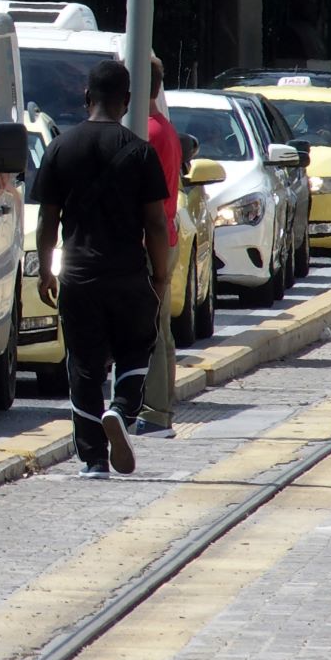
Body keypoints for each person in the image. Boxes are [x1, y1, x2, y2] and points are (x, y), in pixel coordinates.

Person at [33, 59, 171, 478]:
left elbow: (46, 221)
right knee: (136, 347)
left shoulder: (59, 148)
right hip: (128, 275)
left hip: (78, 276)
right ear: (127, 101)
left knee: (84, 365)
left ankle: (93, 459)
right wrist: (161, 275)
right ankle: (123, 411)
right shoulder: (140, 152)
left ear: (86, 97)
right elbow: (155, 223)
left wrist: (45, 271)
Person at [138, 57, 182, 436]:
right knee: (161, 329)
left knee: (148, 328)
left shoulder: (147, 133)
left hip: (151, 239)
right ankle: (161, 410)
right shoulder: (164, 128)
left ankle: (152, 413)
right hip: (165, 236)